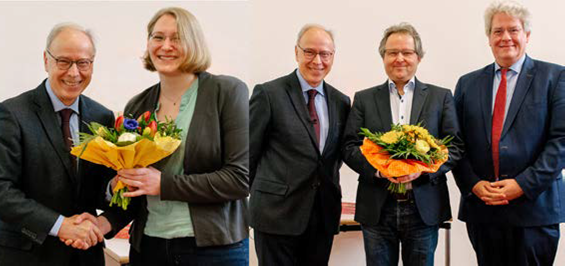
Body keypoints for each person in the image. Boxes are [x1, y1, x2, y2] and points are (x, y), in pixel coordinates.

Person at [95, 7, 249, 266]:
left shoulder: (227, 92)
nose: (166, 46)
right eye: (158, 37)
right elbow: (139, 191)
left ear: (194, 43)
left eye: (176, 38)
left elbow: (238, 179)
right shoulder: (138, 105)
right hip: (149, 248)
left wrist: (164, 184)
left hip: (214, 250)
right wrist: (105, 217)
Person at [0, 23, 115, 265]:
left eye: (83, 63)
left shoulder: (103, 118)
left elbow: (98, 190)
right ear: (46, 60)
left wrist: (112, 188)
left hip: (83, 256)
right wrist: (60, 226)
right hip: (23, 255)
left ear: (92, 64)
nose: (74, 72)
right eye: (64, 61)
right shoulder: (11, 113)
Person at [452, 1, 565, 265]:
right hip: (484, 209)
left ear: (527, 35)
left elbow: (561, 141)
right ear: (488, 38)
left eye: (513, 30)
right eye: (497, 31)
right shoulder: (467, 84)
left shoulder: (556, 77)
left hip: (535, 210)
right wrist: (473, 184)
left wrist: (522, 185)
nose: (505, 38)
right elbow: (455, 143)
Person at [342, 23, 463, 266]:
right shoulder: (365, 99)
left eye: (407, 53)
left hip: (423, 207)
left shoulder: (440, 97)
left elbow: (455, 146)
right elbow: (349, 145)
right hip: (377, 207)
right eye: (392, 52)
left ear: (418, 57)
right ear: (383, 57)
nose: (399, 59)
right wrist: (379, 169)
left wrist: (424, 168)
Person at [249, 24, 351, 266]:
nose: (317, 60)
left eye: (325, 54)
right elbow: (248, 154)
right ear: (296, 52)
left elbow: (334, 156)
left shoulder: (341, 101)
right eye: (309, 52)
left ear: (332, 57)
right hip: (275, 215)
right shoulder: (269, 93)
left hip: (322, 216)